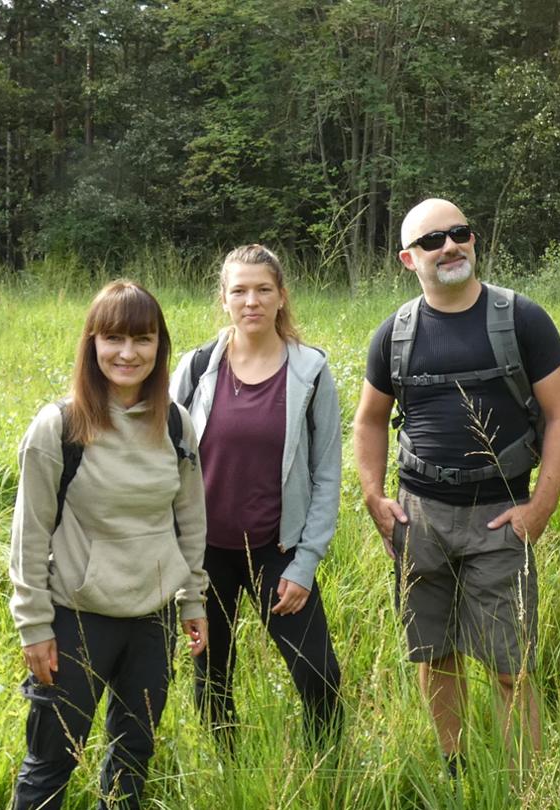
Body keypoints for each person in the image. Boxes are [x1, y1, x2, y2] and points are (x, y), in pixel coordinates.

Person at [351, 198, 560, 776]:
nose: (450, 247)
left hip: (501, 515)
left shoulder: (521, 318)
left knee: (511, 665)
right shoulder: (394, 334)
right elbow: (370, 419)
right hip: (419, 518)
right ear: (409, 258)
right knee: (436, 652)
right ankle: (455, 767)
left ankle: (521, 781)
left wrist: (541, 509)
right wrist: (375, 498)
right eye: (433, 241)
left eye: (460, 233)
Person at [9, 279, 210, 810]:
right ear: (92, 344)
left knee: (132, 760)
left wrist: (192, 601)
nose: (127, 353)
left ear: (159, 347)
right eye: (113, 338)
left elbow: (190, 520)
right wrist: (33, 626)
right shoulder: (60, 427)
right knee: (51, 762)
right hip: (76, 621)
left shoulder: (175, 422)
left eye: (142, 339)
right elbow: (28, 534)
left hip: (153, 620)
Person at [170, 244, 344, 751]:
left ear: (281, 296)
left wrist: (305, 562)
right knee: (211, 679)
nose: (252, 301)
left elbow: (327, 474)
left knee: (319, 676)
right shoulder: (198, 367)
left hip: (278, 551)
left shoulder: (310, 372)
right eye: (240, 290)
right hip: (205, 557)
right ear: (223, 298)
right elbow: (166, 457)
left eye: (263, 289)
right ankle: (232, 772)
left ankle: (326, 771)